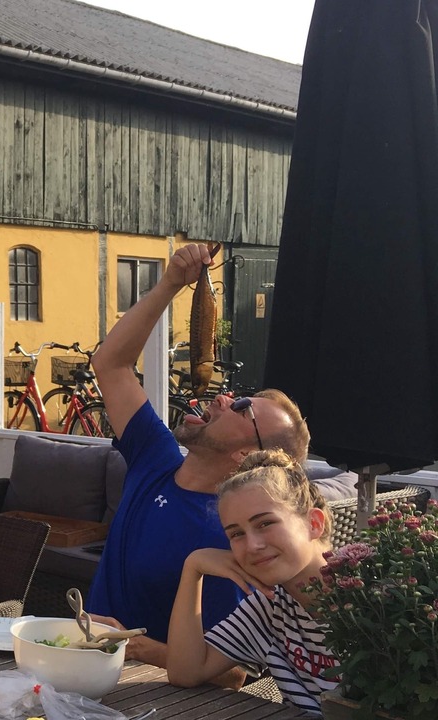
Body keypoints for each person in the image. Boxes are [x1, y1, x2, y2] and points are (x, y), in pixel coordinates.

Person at [85, 242, 310, 681]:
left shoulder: (236, 536)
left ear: (246, 455)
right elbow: (110, 364)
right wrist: (170, 283)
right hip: (84, 674)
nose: (225, 397)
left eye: (242, 407)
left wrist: (136, 647)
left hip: (159, 696)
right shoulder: (156, 458)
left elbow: (234, 676)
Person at [167, 450, 337, 715]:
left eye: (265, 523)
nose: (252, 545)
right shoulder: (270, 606)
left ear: (313, 524)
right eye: (236, 534)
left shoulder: (375, 602)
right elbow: (186, 672)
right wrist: (193, 568)